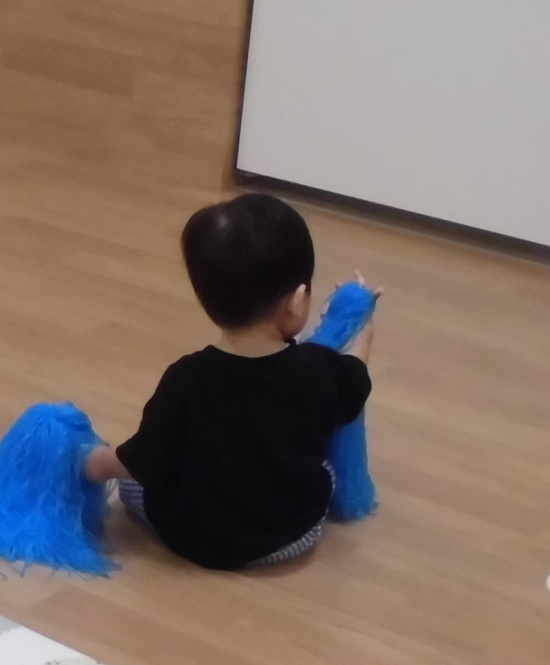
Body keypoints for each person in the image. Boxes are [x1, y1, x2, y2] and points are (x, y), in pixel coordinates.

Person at [86, 191, 374, 570]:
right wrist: (363, 320)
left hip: (191, 536)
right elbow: (356, 377)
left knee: (131, 486)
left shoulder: (186, 378)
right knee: (325, 472)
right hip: (289, 538)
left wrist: (92, 463)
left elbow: (143, 460)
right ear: (297, 300)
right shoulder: (318, 369)